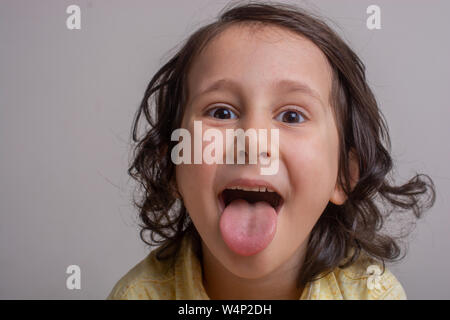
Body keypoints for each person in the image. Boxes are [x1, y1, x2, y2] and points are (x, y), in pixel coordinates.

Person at [107, 1, 435, 300]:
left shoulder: (373, 294)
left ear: (343, 176)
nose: (253, 140)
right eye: (221, 113)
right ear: (174, 163)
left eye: (291, 116)